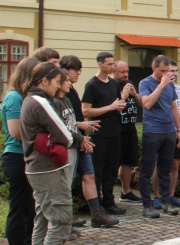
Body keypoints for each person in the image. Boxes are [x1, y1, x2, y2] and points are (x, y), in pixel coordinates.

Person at [19, 62, 75, 245]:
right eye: (55, 82)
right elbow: (64, 134)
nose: (58, 86)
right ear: (44, 81)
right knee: (61, 218)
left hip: (35, 168)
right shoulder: (41, 101)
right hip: (48, 168)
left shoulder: (28, 100)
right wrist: (72, 140)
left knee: (43, 218)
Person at [59, 55, 116, 228]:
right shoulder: (58, 96)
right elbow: (60, 121)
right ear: (64, 71)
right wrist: (81, 125)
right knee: (67, 180)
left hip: (82, 138)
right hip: (74, 140)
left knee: (89, 175)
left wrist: (83, 128)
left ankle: (96, 214)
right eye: (75, 70)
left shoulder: (72, 91)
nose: (78, 74)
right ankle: (66, 217)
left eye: (79, 70)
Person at [0, 56, 39, 245]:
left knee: (29, 209)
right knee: (19, 210)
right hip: (17, 158)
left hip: (27, 157)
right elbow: (15, 132)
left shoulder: (23, 96)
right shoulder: (14, 98)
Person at [139, 55, 180, 218]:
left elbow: (174, 107)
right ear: (154, 68)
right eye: (162, 71)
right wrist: (161, 85)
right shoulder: (145, 83)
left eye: (168, 71)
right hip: (152, 131)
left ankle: (166, 201)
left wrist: (179, 130)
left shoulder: (170, 85)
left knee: (165, 168)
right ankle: (147, 204)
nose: (166, 74)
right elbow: (147, 103)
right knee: (147, 169)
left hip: (168, 131)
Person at [52, 69, 96, 240]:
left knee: (67, 185)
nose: (70, 83)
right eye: (65, 81)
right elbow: (63, 128)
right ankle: (63, 226)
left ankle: (67, 223)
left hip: (73, 146)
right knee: (63, 187)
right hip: (66, 147)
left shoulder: (66, 99)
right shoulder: (55, 102)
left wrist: (80, 136)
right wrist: (80, 138)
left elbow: (72, 124)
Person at [81, 52, 126, 216]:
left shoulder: (114, 84)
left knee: (112, 169)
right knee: (98, 170)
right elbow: (85, 110)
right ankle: (96, 205)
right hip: (98, 133)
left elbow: (117, 103)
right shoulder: (91, 85)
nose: (112, 67)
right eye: (108, 64)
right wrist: (111, 107)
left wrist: (120, 104)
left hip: (114, 131)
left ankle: (109, 202)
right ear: (100, 64)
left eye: (113, 64)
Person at [152, 60, 180, 208]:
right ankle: (158, 196)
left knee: (174, 164)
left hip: (178, 132)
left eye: (175, 71)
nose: (173, 74)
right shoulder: (157, 88)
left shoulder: (179, 89)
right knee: (159, 165)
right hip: (163, 131)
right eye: (170, 71)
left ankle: (171, 195)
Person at [113, 60, 141, 204]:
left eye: (127, 71)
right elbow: (112, 105)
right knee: (114, 162)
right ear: (114, 71)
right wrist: (123, 96)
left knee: (128, 162)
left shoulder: (129, 83)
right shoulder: (111, 85)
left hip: (130, 128)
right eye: (122, 72)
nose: (125, 75)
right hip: (117, 130)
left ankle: (126, 191)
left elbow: (140, 103)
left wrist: (134, 94)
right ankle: (109, 194)